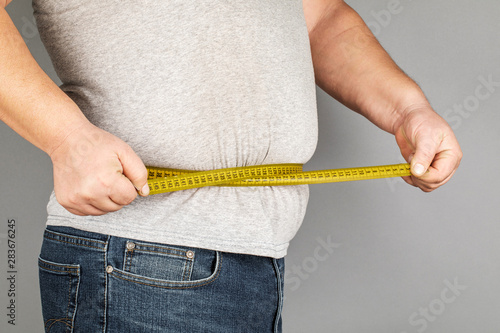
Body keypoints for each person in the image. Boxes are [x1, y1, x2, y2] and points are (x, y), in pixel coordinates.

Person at [0, 0, 461, 332]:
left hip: (260, 261)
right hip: (140, 256)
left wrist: (406, 111)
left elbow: (318, 15)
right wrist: (67, 139)